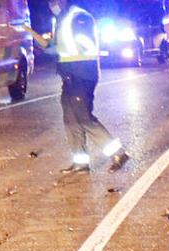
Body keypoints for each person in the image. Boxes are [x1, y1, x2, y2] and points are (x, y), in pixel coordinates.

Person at [29, 1, 128, 173]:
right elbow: (50, 45)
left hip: (82, 75)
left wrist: (55, 48)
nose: (51, 5)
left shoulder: (79, 17)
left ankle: (118, 153)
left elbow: (83, 45)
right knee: (70, 119)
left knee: (84, 117)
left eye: (54, 2)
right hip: (69, 76)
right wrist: (28, 31)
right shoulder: (61, 19)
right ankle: (81, 162)